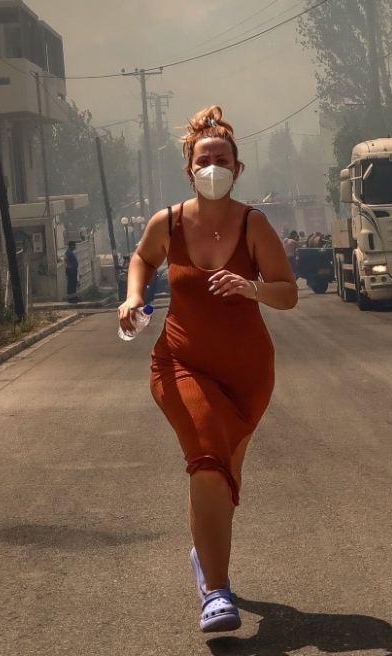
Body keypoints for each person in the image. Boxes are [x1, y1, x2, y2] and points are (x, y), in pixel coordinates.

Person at [117, 105, 298, 633]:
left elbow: (287, 295)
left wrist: (251, 288)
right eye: (204, 159)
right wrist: (133, 298)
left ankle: (205, 556)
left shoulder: (253, 224)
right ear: (189, 169)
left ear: (237, 168)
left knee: (222, 474)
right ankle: (216, 593)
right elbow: (142, 260)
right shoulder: (168, 223)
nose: (213, 166)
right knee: (207, 460)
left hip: (248, 377)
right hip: (180, 363)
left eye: (223, 159)